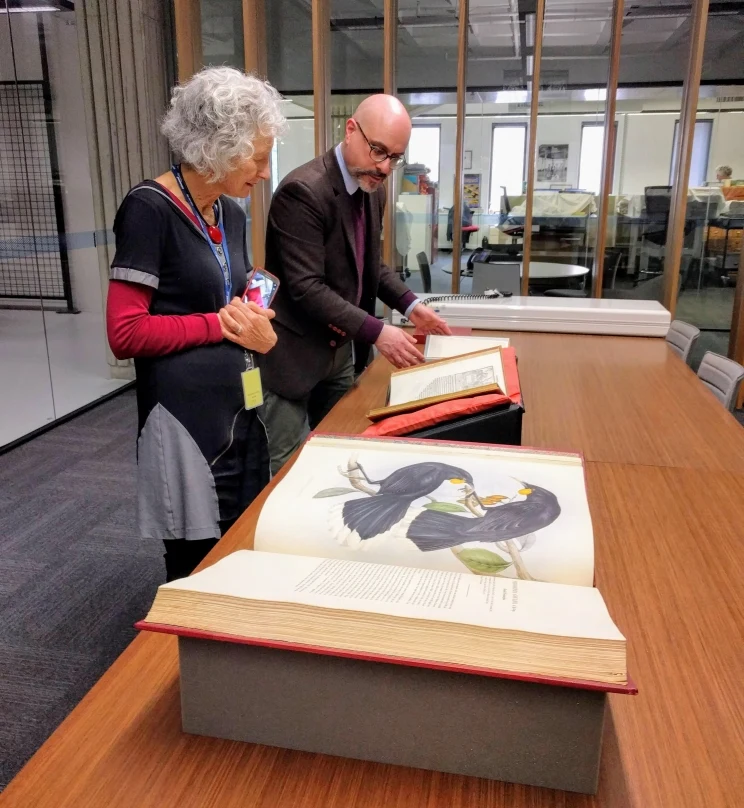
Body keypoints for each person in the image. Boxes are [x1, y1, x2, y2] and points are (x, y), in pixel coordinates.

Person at [106, 67, 286, 581]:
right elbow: (125, 334)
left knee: (241, 540)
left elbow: (232, 285)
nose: (264, 171)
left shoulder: (228, 212)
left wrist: (259, 308)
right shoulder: (148, 209)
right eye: (256, 158)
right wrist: (221, 325)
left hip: (239, 409)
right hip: (183, 419)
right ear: (219, 149)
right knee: (195, 561)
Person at [258, 94, 451, 475]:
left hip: (339, 350)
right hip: (291, 355)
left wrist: (413, 306)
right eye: (378, 151)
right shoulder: (304, 191)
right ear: (351, 130)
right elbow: (306, 287)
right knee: (289, 466)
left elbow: (371, 267)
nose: (384, 167)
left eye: (394, 158)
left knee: (344, 450)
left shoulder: (371, 189)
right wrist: (378, 331)